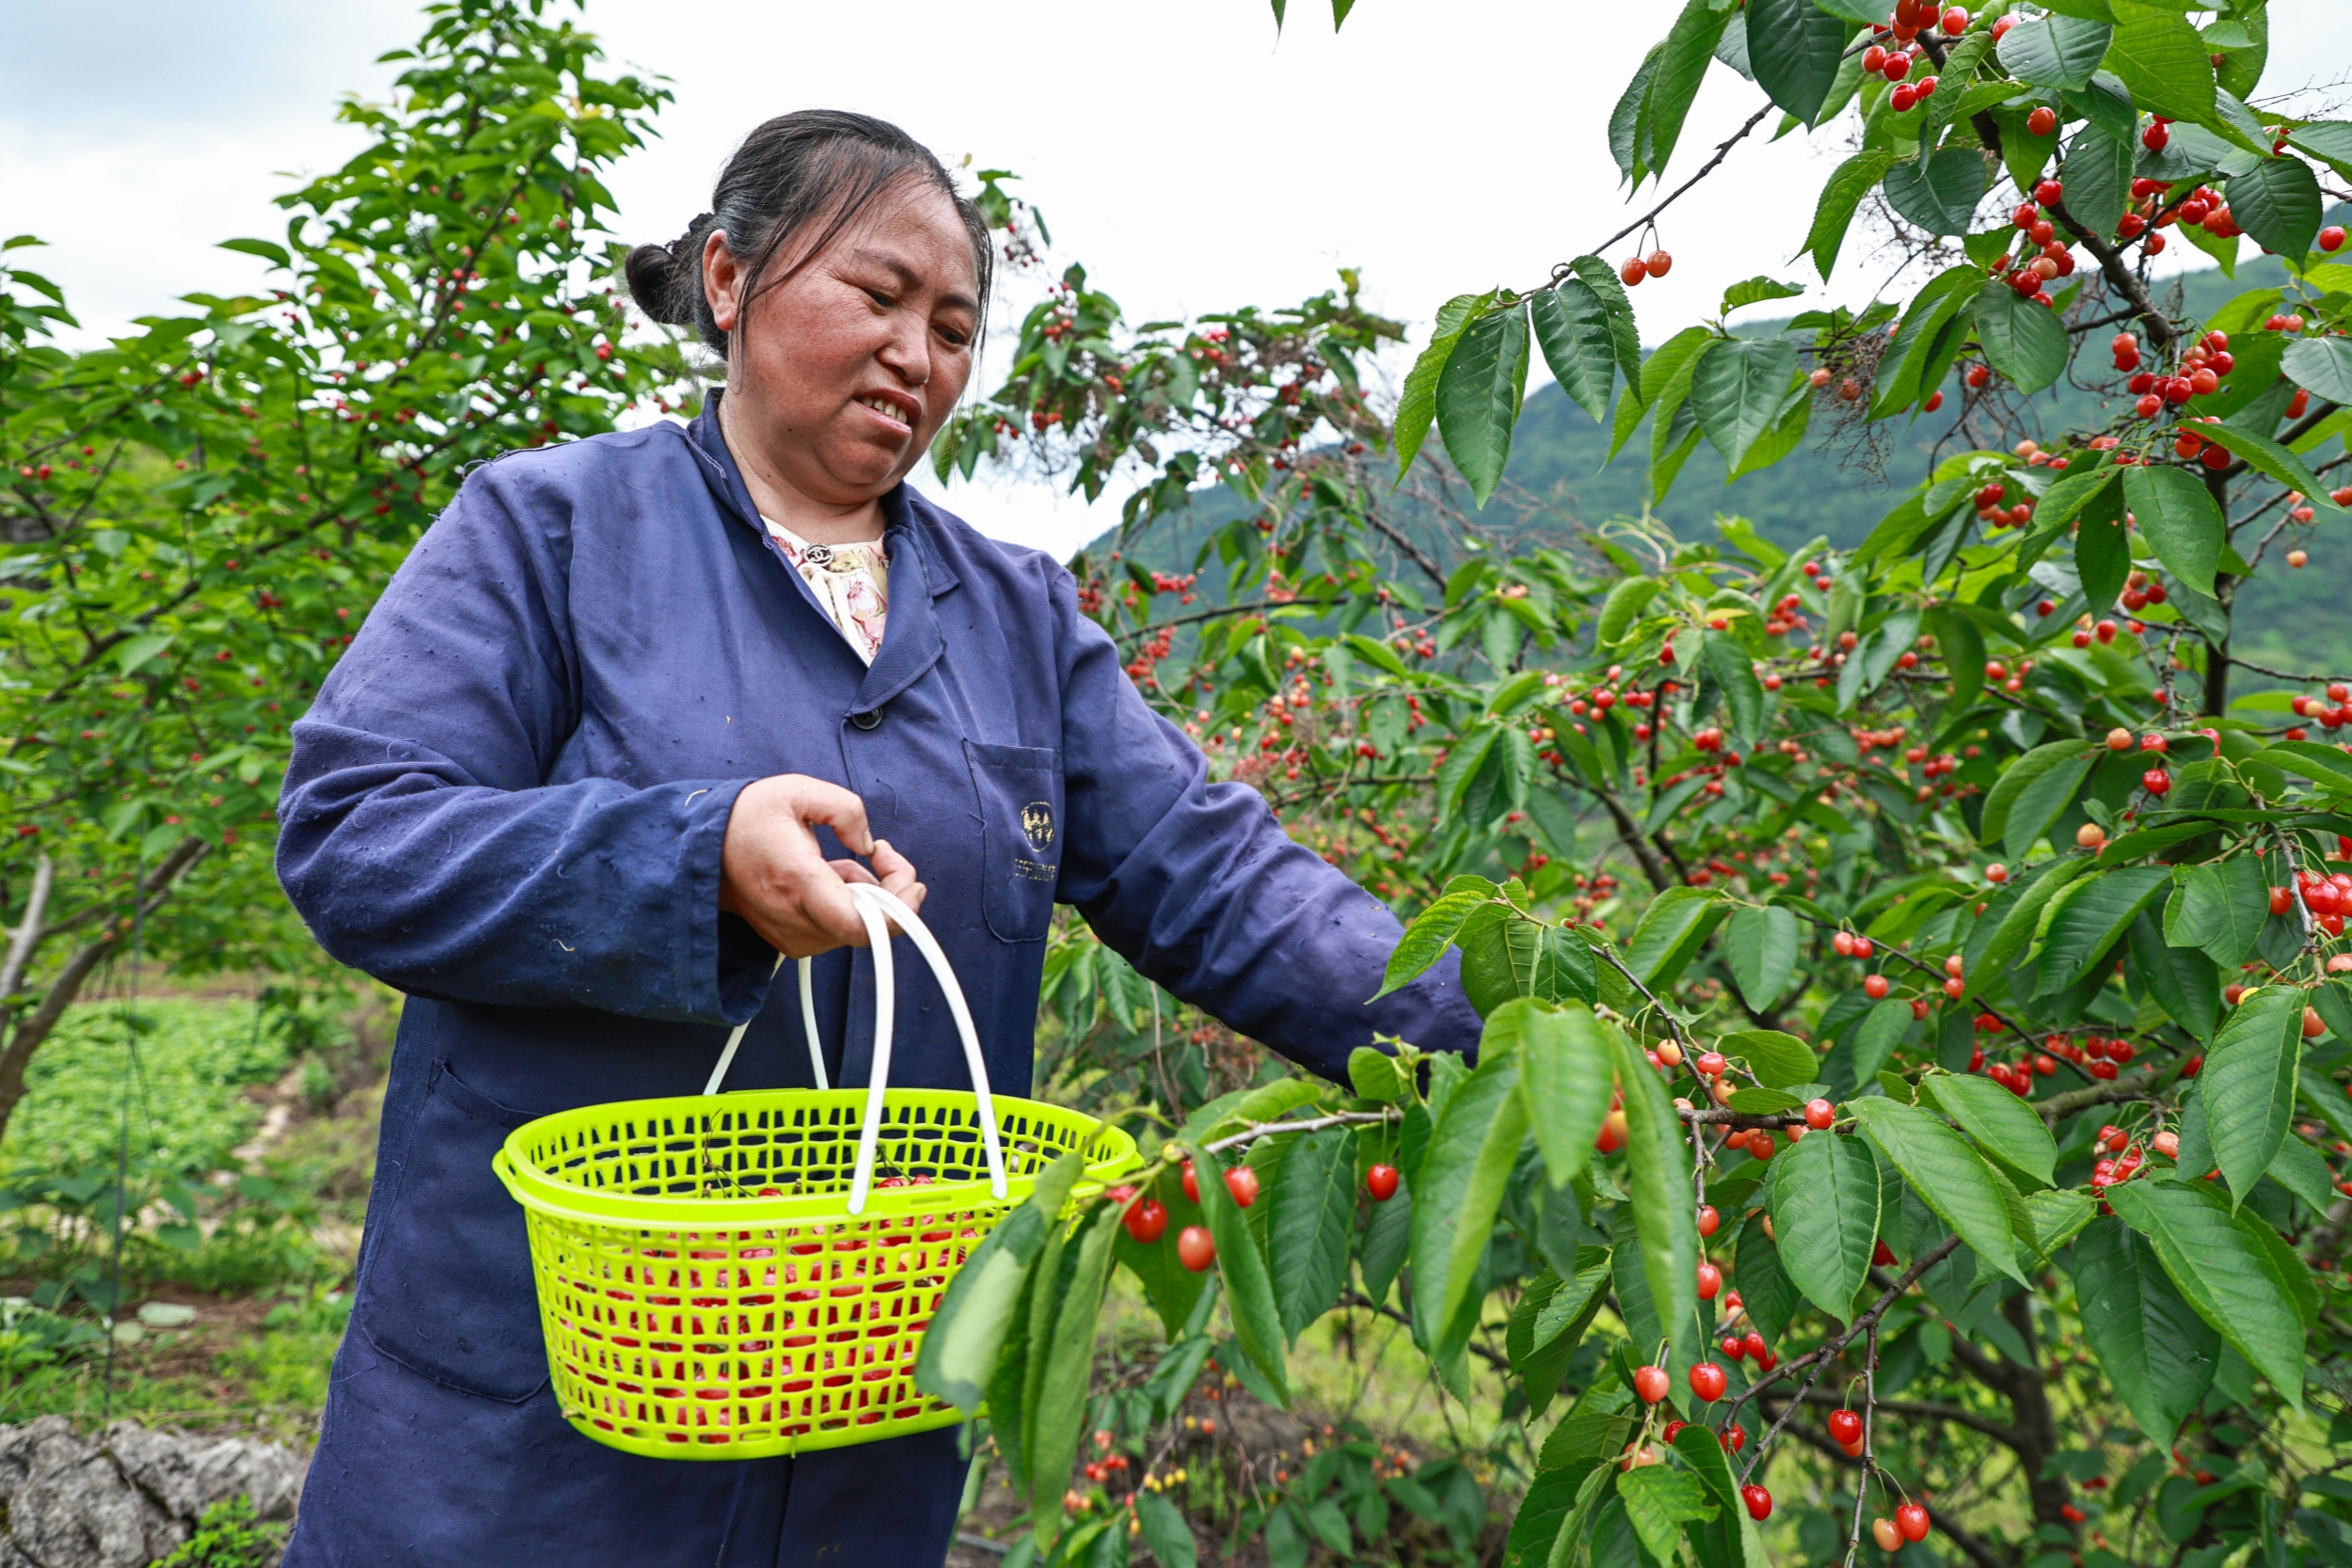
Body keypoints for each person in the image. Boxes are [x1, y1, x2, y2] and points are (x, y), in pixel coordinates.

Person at [273, 109, 1477, 1567]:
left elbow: (1216, 876)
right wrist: (694, 857)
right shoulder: (552, 533)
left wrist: (1513, 1025)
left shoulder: (1014, 617)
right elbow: (358, 834)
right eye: (880, 295)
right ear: (729, 277)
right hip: (539, 1417)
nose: (920, 354)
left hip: (862, 1414)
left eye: (957, 326)